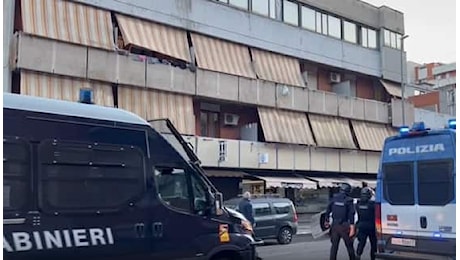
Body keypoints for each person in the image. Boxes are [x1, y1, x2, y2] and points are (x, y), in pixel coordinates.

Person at [324, 183, 356, 260]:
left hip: (334, 226)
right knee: (349, 247)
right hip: (344, 226)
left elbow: (328, 209)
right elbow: (351, 214)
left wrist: (326, 220)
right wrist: (352, 228)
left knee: (334, 247)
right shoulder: (349, 200)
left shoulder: (334, 198)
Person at [356, 187, 377, 260]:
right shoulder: (372, 204)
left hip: (361, 226)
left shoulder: (358, 204)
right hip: (372, 227)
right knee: (373, 245)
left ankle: (358, 256)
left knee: (361, 243)